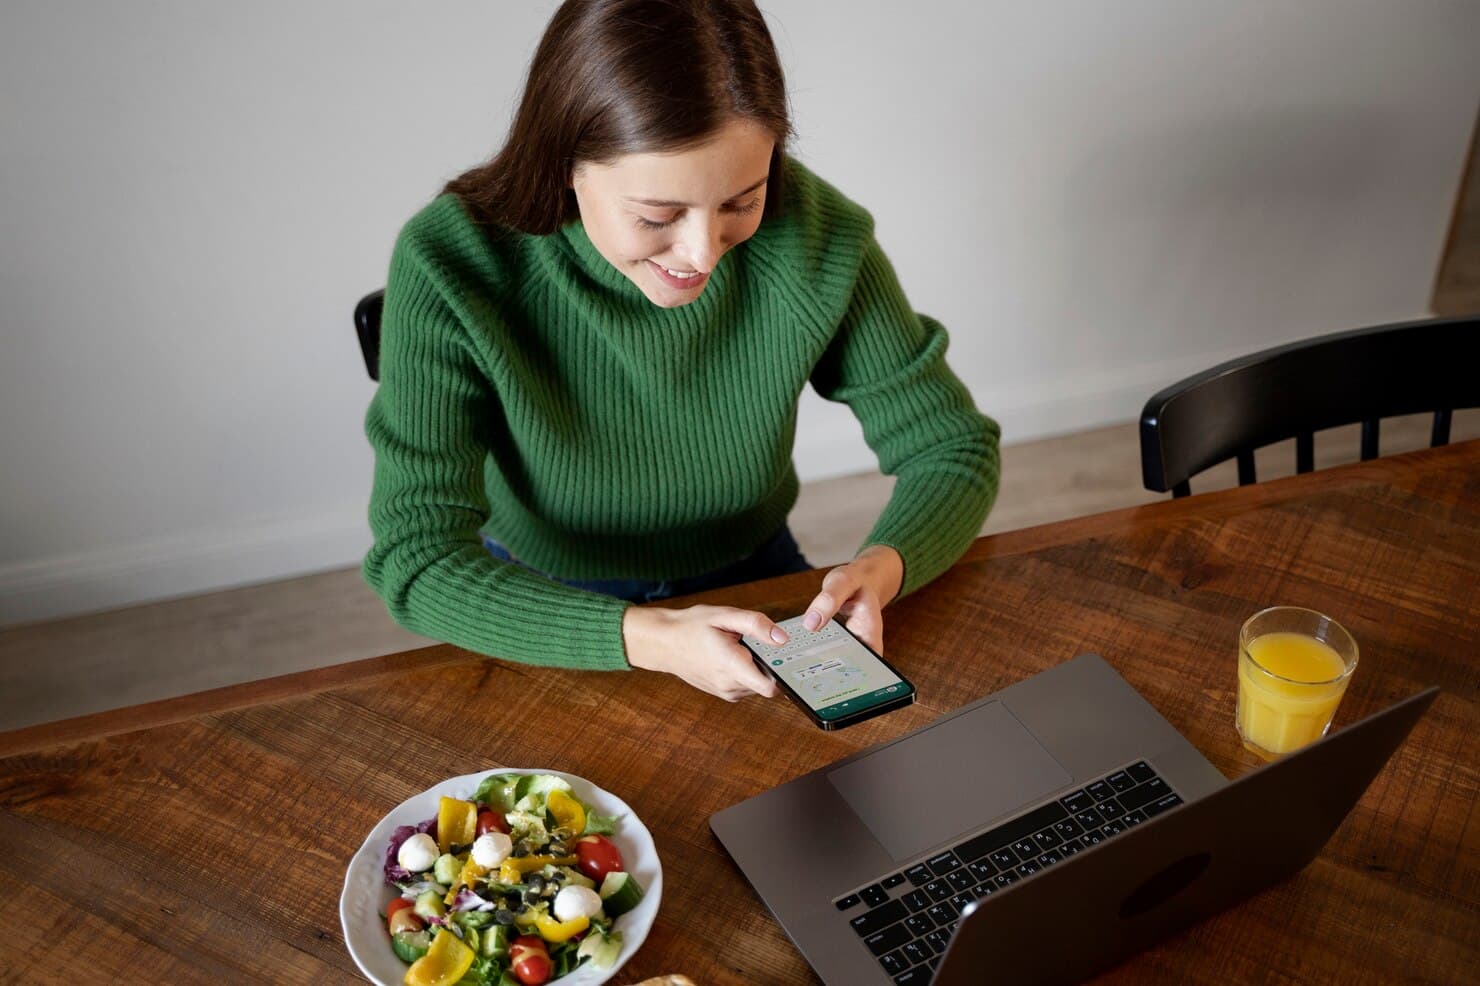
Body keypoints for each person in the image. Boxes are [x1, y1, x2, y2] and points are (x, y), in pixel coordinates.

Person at [363, 0, 1000, 703]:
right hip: (542, 598)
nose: (702, 255)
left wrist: (884, 568)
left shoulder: (817, 238)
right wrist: (650, 637)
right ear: (565, 162)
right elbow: (418, 559)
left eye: (741, 202)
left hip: (755, 573)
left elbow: (949, 447)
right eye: (657, 216)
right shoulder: (452, 262)